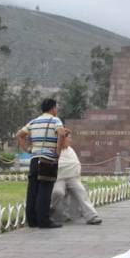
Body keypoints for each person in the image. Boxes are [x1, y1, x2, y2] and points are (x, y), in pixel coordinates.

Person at [16, 97, 67, 229]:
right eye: (56, 108)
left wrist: (27, 149)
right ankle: (44, 221)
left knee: (32, 189)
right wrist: (58, 151)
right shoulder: (55, 120)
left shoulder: (33, 122)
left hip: (34, 159)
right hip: (48, 160)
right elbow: (61, 133)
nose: (57, 110)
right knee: (45, 189)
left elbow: (19, 135)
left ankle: (32, 220)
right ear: (53, 108)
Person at [51, 130, 102, 225]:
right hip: (58, 178)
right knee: (58, 192)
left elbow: (75, 165)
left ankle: (92, 216)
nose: (70, 140)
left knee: (81, 191)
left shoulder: (70, 150)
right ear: (62, 138)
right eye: (68, 138)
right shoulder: (55, 149)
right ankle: (50, 209)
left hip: (72, 178)